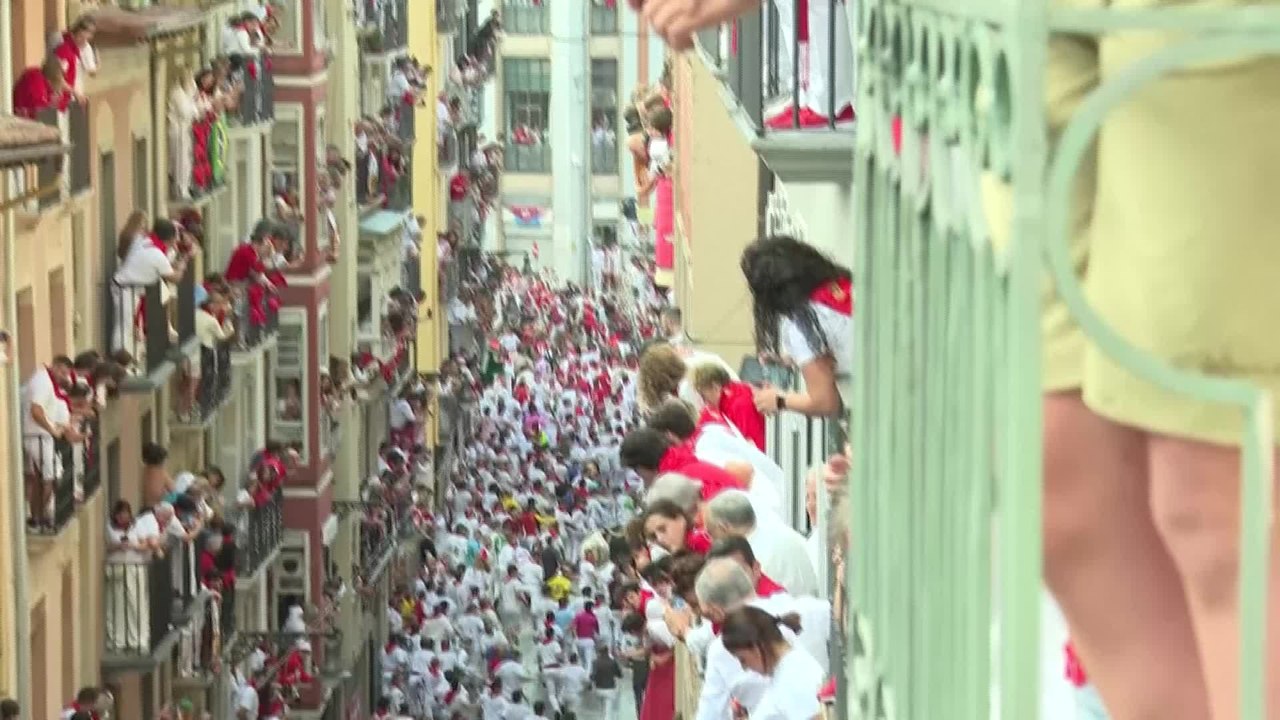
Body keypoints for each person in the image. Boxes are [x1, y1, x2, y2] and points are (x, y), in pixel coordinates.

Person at [740, 236, 850, 417]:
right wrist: (796, 359)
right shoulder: (841, 281)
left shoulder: (801, 325)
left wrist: (779, 400)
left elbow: (825, 402)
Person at [704, 491, 818, 596]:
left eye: (710, 533)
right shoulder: (784, 533)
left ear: (724, 528)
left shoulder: (746, 561)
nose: (712, 541)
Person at [719, 606, 824, 720]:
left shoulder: (795, 677)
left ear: (756, 647)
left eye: (742, 659)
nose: (745, 667)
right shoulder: (789, 669)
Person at [591, 643, 624, 720]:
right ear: (608, 651)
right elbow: (620, 675)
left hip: (598, 689)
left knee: (601, 710)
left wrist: (591, 683)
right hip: (610, 689)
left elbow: (593, 675)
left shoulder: (595, 662)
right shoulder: (613, 662)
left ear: (599, 652)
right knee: (608, 712)